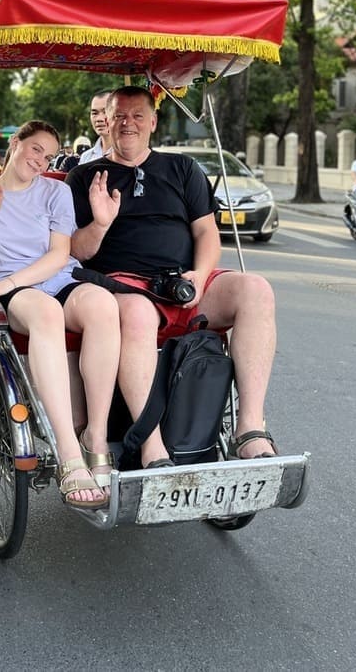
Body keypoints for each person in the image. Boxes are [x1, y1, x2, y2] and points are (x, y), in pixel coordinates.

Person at [67, 85, 278, 468]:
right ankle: (150, 443)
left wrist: (198, 274)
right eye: (119, 116)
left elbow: (206, 233)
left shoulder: (182, 168)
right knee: (139, 314)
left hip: (184, 283)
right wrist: (100, 223)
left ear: (153, 121)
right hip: (123, 285)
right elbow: (75, 251)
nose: (127, 123)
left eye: (136, 115)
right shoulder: (84, 178)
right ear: (105, 123)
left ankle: (249, 427)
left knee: (255, 289)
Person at [0, 120, 121, 509]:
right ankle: (69, 454)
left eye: (48, 155)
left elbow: (57, 254)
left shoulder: (55, 191)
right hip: (11, 288)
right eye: (35, 149)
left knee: (103, 304)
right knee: (47, 313)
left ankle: (95, 437)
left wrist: (15, 279)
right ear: (16, 143)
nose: (40, 160)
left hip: (53, 275)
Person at [78, 89, 114, 165]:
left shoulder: (132, 155)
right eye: (95, 113)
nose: (99, 119)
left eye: (105, 112)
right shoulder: (86, 157)